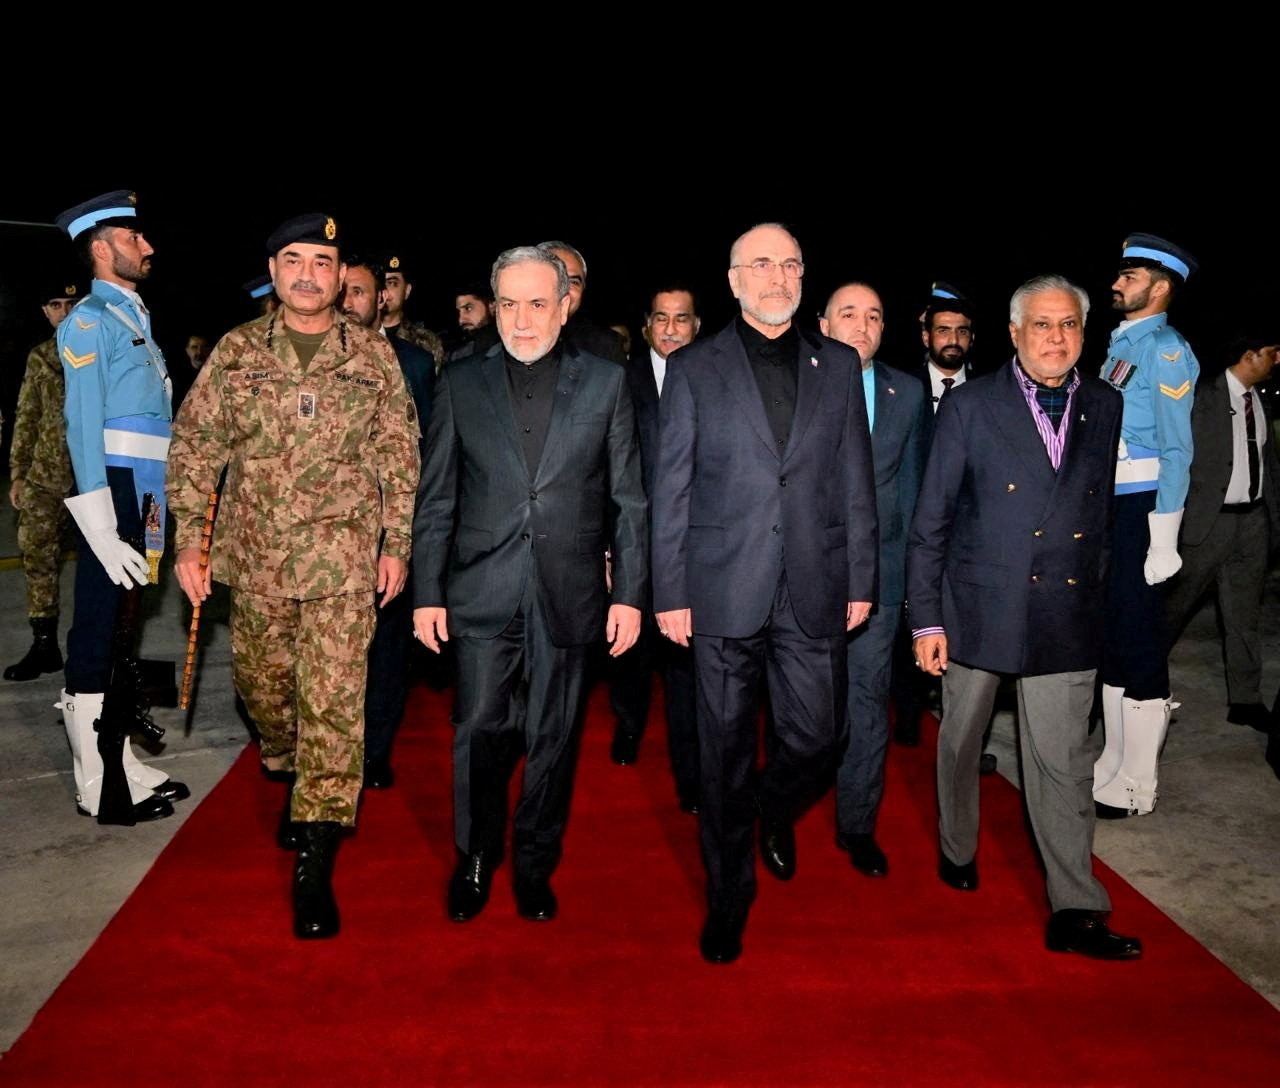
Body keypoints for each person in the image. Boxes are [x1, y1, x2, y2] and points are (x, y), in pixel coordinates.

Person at [167, 213, 420, 940]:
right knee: (266, 691)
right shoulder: (238, 352)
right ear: (274, 269)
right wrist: (191, 541)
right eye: (294, 259)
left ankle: (316, 853)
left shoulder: (371, 357)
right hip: (257, 561)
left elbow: (398, 456)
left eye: (324, 261)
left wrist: (395, 541)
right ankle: (287, 763)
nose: (309, 274)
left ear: (343, 276)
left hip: (342, 564)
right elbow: (194, 446)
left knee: (336, 705)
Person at [650, 223, 878, 964]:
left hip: (814, 584)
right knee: (719, 752)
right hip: (720, 588)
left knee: (820, 736)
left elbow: (854, 480)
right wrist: (669, 589)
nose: (777, 277)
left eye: (790, 264)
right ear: (733, 278)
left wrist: (862, 578)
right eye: (761, 264)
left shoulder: (838, 364)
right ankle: (727, 900)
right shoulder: (693, 367)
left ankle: (765, 810)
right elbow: (672, 486)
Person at [908, 273, 1141, 959]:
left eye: (1068, 324)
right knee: (960, 741)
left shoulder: (1106, 403)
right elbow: (932, 522)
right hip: (979, 607)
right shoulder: (971, 407)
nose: (1056, 337)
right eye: (1041, 324)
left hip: (1063, 612)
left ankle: (1076, 908)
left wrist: (1097, 598)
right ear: (1014, 334)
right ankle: (957, 844)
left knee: (1063, 765)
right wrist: (927, 620)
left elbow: (1096, 517)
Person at [413, 245, 647, 926]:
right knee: (479, 725)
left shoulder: (606, 383)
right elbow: (436, 499)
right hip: (482, 586)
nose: (521, 319)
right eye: (508, 303)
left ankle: (536, 860)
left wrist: (629, 592)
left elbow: (631, 502)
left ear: (565, 305)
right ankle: (477, 855)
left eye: (537, 303)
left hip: (571, 589)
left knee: (554, 735)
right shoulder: (459, 380)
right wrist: (428, 592)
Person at [52, 190, 188, 822]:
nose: (148, 246)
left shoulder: (134, 315)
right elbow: (82, 424)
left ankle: (119, 756)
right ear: (101, 248)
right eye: (135, 239)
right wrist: (98, 516)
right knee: (99, 623)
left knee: (125, 626)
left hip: (146, 489)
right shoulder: (89, 321)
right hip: (114, 488)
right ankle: (94, 780)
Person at [819, 281, 927, 878]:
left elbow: (912, 492)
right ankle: (780, 803)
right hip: (802, 577)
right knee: (801, 708)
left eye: (875, 316)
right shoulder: (795, 381)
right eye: (849, 314)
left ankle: (857, 824)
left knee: (866, 702)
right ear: (824, 322)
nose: (862, 325)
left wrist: (912, 587)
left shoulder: (905, 393)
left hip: (879, 580)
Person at [1093, 233, 1200, 819]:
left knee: (1139, 639)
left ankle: (1138, 784)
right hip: (1113, 508)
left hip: (1143, 510)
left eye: (1130, 276)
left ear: (1159, 287)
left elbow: (1178, 449)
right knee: (1113, 637)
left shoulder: (1164, 349)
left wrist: (1165, 534)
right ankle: (1112, 761)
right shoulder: (1120, 347)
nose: (1118, 282)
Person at [337, 254, 435, 790]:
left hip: (389, 533)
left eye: (361, 292)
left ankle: (374, 750)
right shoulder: (313, 357)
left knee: (386, 651)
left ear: (382, 300)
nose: (350, 301)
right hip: (326, 538)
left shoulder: (415, 365)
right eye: (344, 290)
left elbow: (428, 454)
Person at [606, 283, 702, 815]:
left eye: (681, 319)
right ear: (646, 325)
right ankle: (629, 725)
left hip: (694, 546)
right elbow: (604, 468)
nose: (670, 329)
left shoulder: (712, 378)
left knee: (687, 662)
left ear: (696, 325)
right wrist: (607, 549)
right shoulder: (621, 379)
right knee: (632, 649)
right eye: (661, 318)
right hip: (634, 539)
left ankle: (690, 770)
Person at [1164, 332, 1279, 733]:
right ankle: (1137, 685)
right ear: (1250, 354)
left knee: (1245, 614)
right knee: (1172, 611)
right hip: (1206, 524)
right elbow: (1177, 461)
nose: (1277, 360)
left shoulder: (1259, 398)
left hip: (1252, 523)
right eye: (1272, 352)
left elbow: (1268, 464)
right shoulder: (1202, 398)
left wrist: (1272, 522)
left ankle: (1245, 700)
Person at [6, 277, 81, 682]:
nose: (63, 313)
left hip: (91, 478)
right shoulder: (40, 358)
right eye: (55, 306)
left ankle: (99, 647)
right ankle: (44, 644)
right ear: (45, 312)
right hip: (45, 476)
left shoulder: (100, 352)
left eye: (70, 305)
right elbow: (27, 415)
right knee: (36, 555)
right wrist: (18, 473)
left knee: (101, 565)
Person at [535, 240, 627, 365]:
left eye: (573, 282)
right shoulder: (502, 339)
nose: (564, 288)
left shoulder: (604, 347)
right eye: (555, 277)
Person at [380, 252, 446, 367]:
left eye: (392, 283)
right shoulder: (358, 336)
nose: (385, 291)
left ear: (407, 290)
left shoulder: (426, 342)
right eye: (380, 283)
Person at [444, 279, 499, 363]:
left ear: (492, 307)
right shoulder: (455, 351)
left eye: (468, 308)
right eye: (458, 312)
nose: (461, 320)